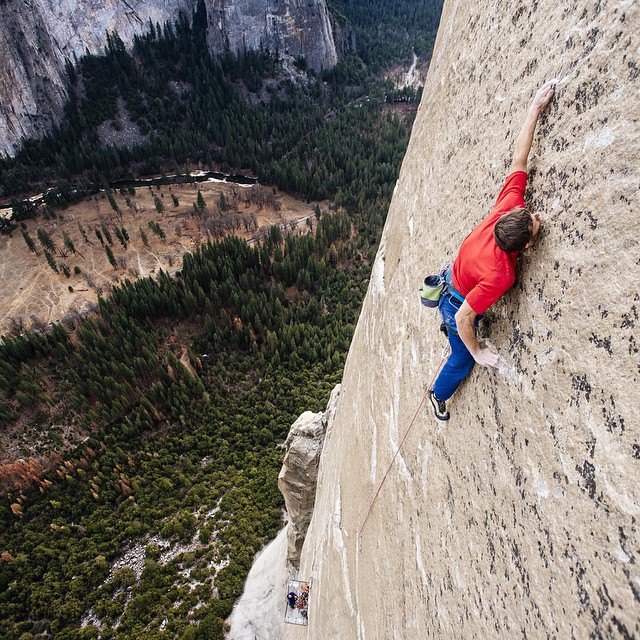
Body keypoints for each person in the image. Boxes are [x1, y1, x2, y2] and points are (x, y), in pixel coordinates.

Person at [429, 80, 556, 421]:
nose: (535, 215)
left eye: (530, 216)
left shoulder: (509, 206)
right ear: (525, 247)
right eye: (533, 222)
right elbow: (463, 316)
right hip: (455, 301)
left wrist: (535, 109)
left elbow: (520, 157)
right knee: (462, 358)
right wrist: (478, 351)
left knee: (466, 317)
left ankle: (453, 337)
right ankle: (437, 395)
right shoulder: (502, 274)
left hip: (456, 277)